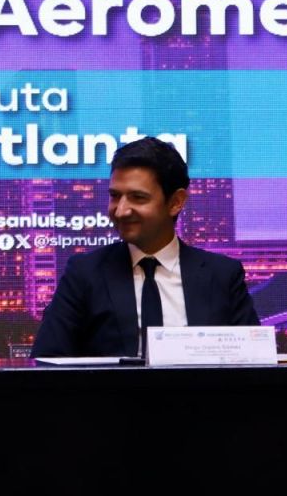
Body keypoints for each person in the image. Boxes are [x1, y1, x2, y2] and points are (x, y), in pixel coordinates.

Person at [31, 136, 259, 358]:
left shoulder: (222, 275)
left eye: (137, 198)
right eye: (114, 196)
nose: (121, 211)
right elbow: (48, 360)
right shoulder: (85, 273)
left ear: (176, 202)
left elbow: (254, 362)